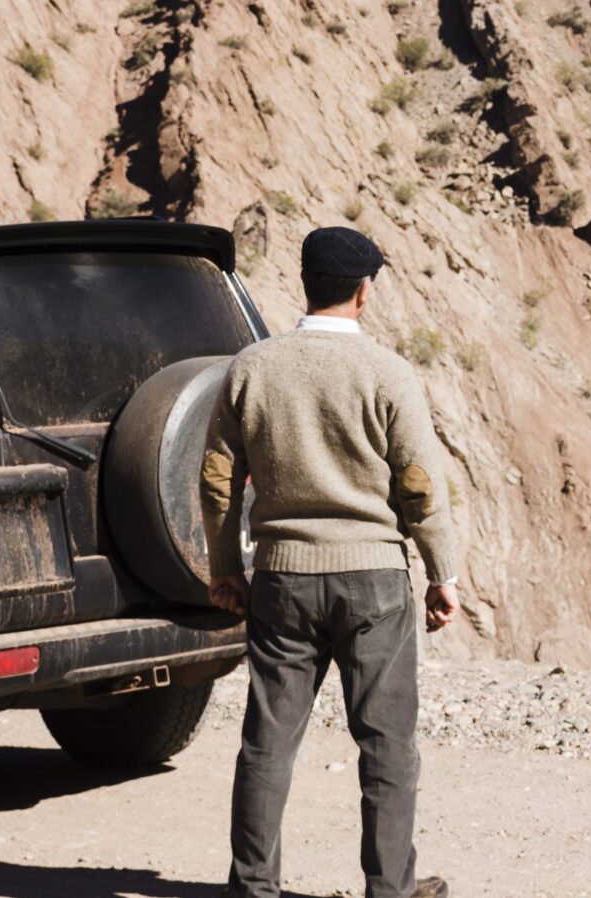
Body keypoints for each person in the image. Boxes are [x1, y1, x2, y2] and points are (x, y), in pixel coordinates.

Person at [202, 225, 464, 898]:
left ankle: (252, 886)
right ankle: (389, 889)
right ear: (364, 291)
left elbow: (217, 479)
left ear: (305, 282)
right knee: (386, 746)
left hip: (282, 577)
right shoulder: (388, 373)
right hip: (374, 578)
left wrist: (225, 564)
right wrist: (443, 573)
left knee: (268, 740)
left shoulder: (252, 367)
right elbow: (419, 484)